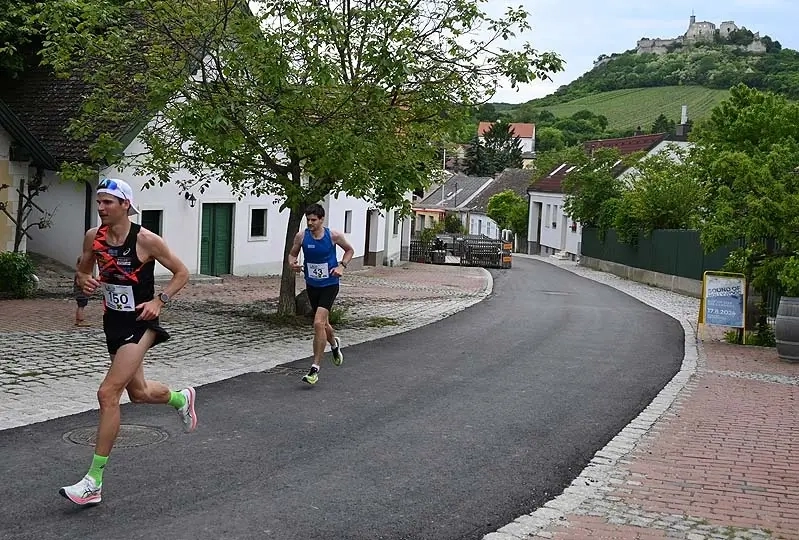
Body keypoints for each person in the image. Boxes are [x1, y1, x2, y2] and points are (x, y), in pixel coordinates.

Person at [60, 178, 197, 506]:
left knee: (108, 394)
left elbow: (182, 272)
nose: (101, 208)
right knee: (139, 393)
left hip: (141, 323)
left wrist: (159, 301)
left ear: (125, 205)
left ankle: (94, 481)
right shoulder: (94, 238)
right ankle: (181, 398)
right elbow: (81, 271)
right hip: (113, 322)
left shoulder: (147, 240)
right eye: (99, 202)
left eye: (108, 202)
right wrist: (84, 281)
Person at [288, 203, 354, 385]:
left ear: (321, 220)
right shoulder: (302, 236)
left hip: (330, 284)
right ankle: (334, 344)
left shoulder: (333, 236)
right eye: (308, 219)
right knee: (324, 324)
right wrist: (292, 264)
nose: (310, 223)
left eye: (313, 220)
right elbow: (292, 254)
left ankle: (314, 369)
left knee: (317, 323)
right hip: (312, 285)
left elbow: (350, 250)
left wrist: (342, 266)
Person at [74, 256, 90, 326]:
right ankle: (80, 320)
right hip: (81, 293)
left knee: (80, 306)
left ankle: (78, 320)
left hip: (80, 293)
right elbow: (78, 283)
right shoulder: (79, 274)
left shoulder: (80, 273)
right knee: (81, 307)